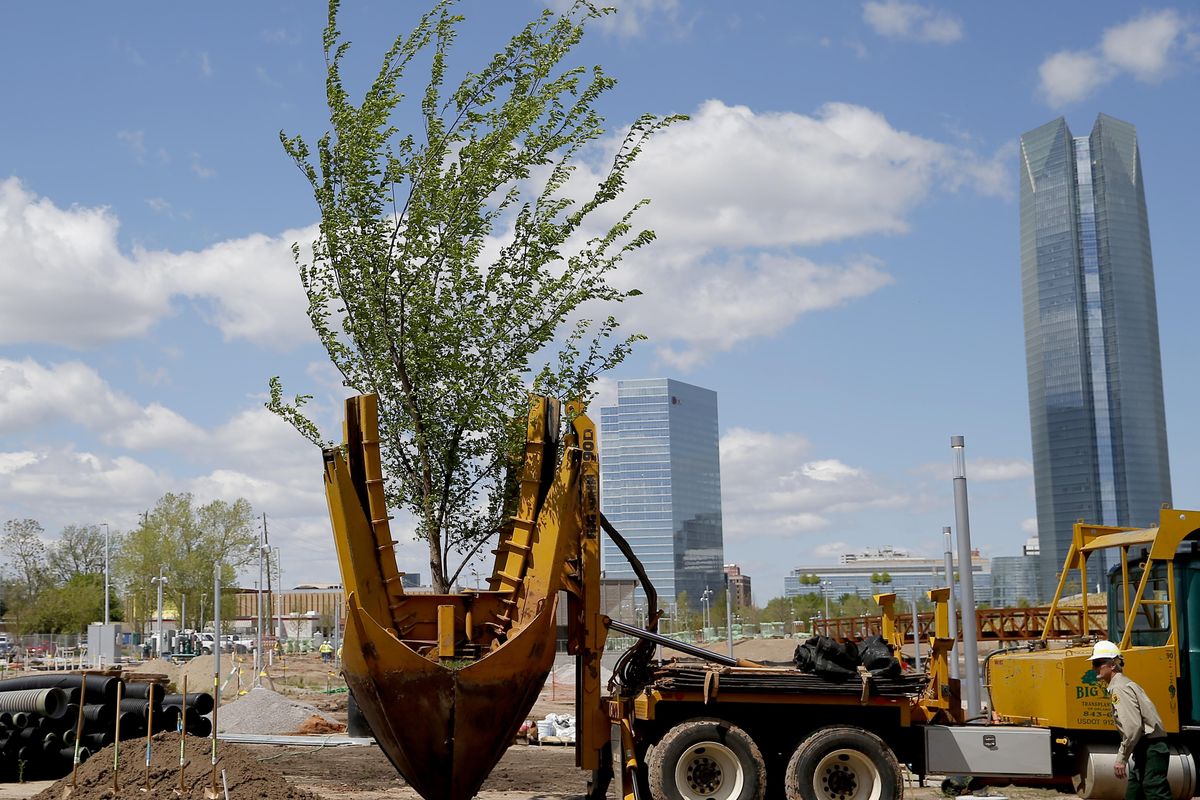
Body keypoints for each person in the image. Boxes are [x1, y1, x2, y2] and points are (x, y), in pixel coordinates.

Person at [1091, 640, 1170, 800]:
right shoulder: (1125, 684)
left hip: (1150, 747)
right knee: (1135, 793)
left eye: (1098, 663)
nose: (1094, 667)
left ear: (1112, 665)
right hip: (1147, 747)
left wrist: (1121, 758)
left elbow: (1133, 727)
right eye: (1094, 663)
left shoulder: (1119, 688)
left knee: (1154, 792)